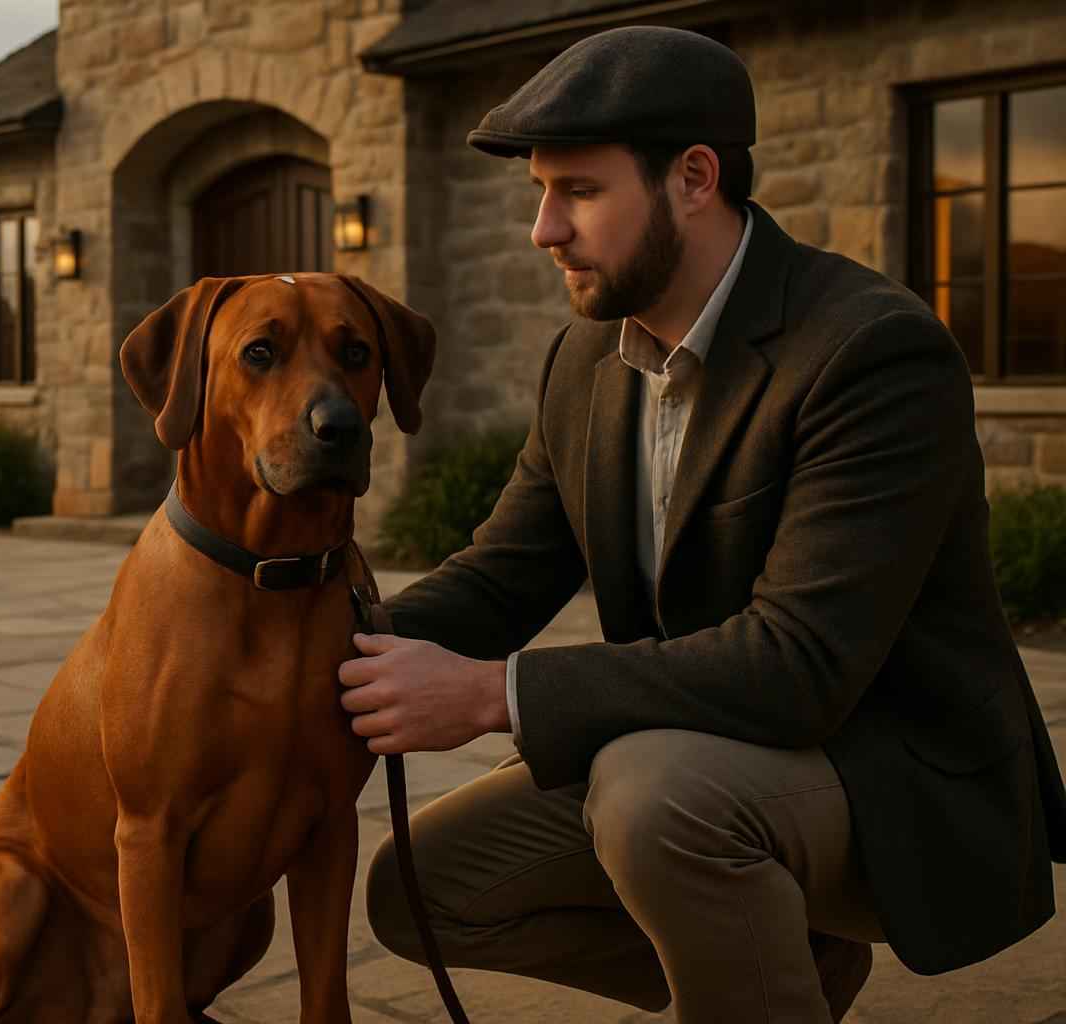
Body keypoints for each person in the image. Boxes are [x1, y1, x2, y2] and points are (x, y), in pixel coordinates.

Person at [338, 24, 1066, 1024]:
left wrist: (490, 693)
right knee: (423, 887)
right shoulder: (585, 361)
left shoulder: (873, 352)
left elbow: (798, 663)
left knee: (653, 792)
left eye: (580, 191)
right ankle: (781, 972)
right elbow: (502, 574)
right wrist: (319, 656)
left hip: (899, 777)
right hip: (708, 753)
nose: (545, 229)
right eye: (540, 193)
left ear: (693, 177)